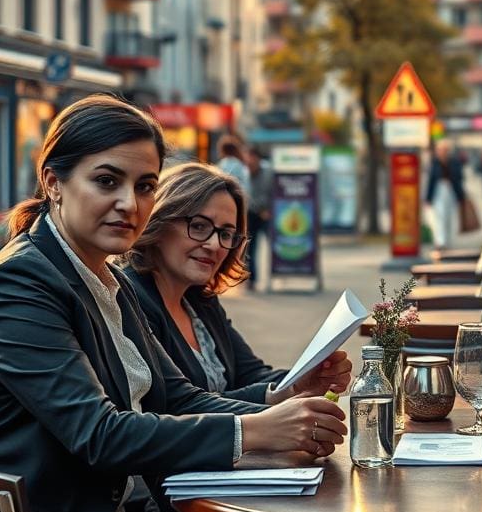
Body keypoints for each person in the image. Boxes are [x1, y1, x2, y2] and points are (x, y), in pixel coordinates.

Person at [0, 95, 347, 512]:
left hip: (111, 509)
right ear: (53, 182)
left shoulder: (104, 277)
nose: (129, 204)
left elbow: (177, 397)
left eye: (144, 186)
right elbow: (97, 434)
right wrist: (254, 431)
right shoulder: (22, 279)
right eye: (106, 180)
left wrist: (276, 401)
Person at [123, 161, 350, 405]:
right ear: (158, 221)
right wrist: (276, 394)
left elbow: (250, 373)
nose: (215, 245)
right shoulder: (131, 299)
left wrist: (301, 380)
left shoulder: (199, 300)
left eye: (225, 234)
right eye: (199, 226)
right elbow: (178, 407)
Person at [425, 138, 465, 248]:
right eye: (440, 150)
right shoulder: (434, 163)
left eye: (444, 150)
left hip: (451, 192)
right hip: (438, 192)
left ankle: (448, 240)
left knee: (450, 217)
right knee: (439, 216)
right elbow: (431, 181)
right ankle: (440, 241)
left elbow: (459, 179)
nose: (442, 152)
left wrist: (461, 196)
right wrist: (428, 198)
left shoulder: (454, 162)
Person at [245, 147, 273, 292]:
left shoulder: (268, 172)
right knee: (250, 247)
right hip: (252, 212)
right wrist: (258, 209)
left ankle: (273, 277)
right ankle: (252, 280)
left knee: (273, 245)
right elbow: (246, 195)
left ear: (258, 159)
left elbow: (273, 192)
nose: (249, 163)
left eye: (252, 159)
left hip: (268, 212)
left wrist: (267, 209)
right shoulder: (245, 172)